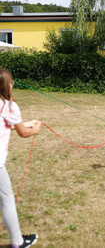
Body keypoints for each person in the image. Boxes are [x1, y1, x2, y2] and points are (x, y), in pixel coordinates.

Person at [0, 68, 41, 247]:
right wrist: (35, 129)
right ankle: (18, 242)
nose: (13, 84)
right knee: (7, 199)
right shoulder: (8, 105)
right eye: (11, 81)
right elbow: (23, 133)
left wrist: (28, 123)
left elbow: (9, 124)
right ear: (6, 85)